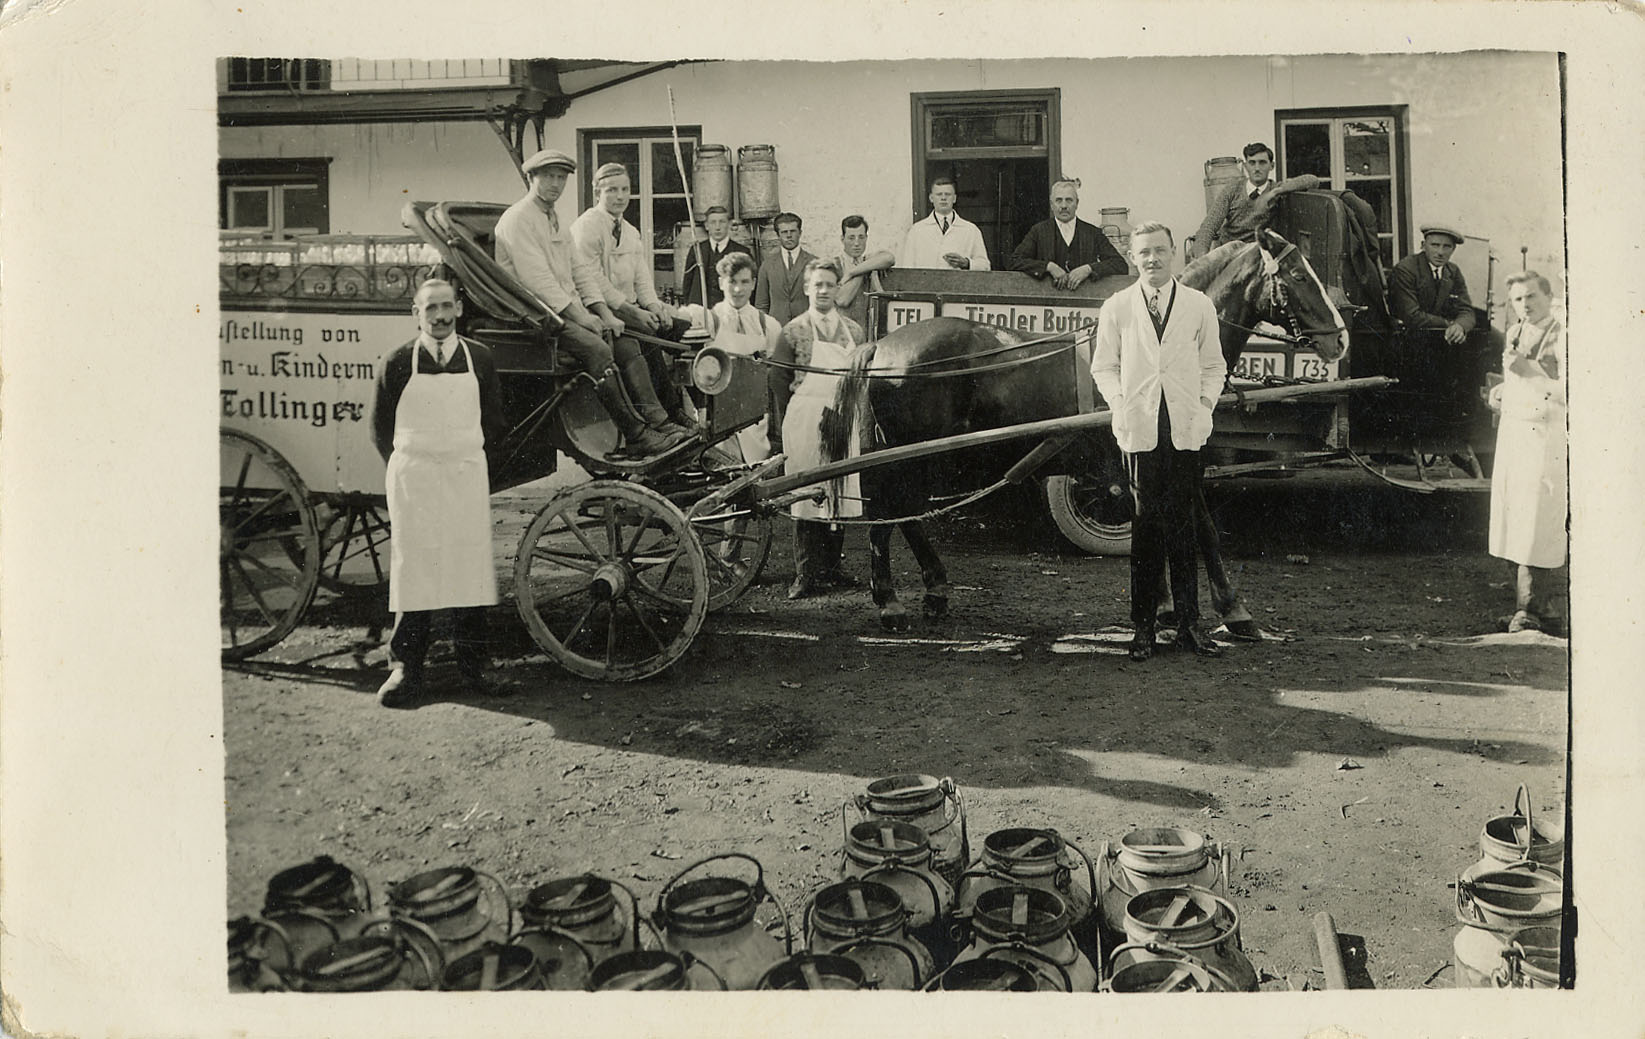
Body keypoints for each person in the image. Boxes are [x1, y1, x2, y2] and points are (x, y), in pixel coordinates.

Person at [493, 148, 689, 458]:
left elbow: (580, 272)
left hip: (562, 313)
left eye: (561, 178)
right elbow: (538, 282)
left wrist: (600, 312)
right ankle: (636, 435)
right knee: (598, 349)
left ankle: (659, 422)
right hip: (535, 318)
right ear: (531, 178)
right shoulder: (519, 219)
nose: (556, 184)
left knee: (624, 344)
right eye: (549, 177)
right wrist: (581, 318)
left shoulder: (553, 217)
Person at [1091, 221, 1227, 661]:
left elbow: (1213, 366)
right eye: (1144, 252)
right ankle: (1144, 628)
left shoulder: (1197, 305)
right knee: (1145, 529)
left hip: (1185, 427)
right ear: (1133, 257)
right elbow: (1103, 367)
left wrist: (1205, 407)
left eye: (1160, 251)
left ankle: (1189, 625)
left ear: (1174, 254)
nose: (1152, 259)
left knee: (1185, 526)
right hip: (1139, 429)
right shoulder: (1117, 307)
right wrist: (1118, 404)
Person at [369, 280, 508, 708]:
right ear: (417, 314)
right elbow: (380, 430)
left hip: (464, 473)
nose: (441, 316)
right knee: (416, 567)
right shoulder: (396, 362)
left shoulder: (480, 359)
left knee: (470, 567)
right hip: (417, 476)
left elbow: (495, 423)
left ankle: (475, 666)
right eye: (431, 308)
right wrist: (416, 463)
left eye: (447, 306)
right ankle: (406, 669)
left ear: (460, 308)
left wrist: (463, 458)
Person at [570, 162, 695, 430]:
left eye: (625, 189)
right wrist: (633, 312)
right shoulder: (586, 227)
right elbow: (592, 280)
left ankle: (690, 412)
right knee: (642, 343)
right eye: (612, 190)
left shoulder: (630, 230)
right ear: (597, 193)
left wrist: (653, 305)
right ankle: (661, 419)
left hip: (629, 308)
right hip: (597, 310)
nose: (620, 196)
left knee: (684, 332)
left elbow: (641, 275)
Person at [771, 259, 866, 599]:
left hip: (842, 415)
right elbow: (779, 379)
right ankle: (805, 574)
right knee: (805, 495)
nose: (824, 290)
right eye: (818, 285)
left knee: (838, 491)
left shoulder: (854, 331)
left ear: (838, 289)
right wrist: (790, 419)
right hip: (805, 416)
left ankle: (832, 567)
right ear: (807, 289)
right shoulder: (793, 330)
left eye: (830, 284)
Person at [1487, 271, 1567, 634]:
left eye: (1532, 297)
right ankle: (1534, 607)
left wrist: (1529, 370)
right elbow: (1518, 377)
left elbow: (1570, 387)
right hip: (1516, 433)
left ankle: (1533, 609)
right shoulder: (1517, 332)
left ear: (1549, 295)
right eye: (1518, 300)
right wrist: (1503, 388)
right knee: (1515, 516)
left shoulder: (1563, 335)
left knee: (1538, 518)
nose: (1525, 305)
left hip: (1545, 437)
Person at [707, 250, 783, 461]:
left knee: (754, 471)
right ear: (721, 282)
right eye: (732, 281)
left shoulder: (768, 325)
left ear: (754, 283)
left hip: (754, 419)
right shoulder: (708, 321)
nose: (738, 289)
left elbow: (774, 374)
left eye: (744, 281)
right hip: (718, 416)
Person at [1191, 142, 1324, 258]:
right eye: (1252, 163)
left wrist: (1276, 192)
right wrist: (1202, 256)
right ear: (1245, 166)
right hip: (1231, 253)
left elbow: (1312, 180)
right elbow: (1209, 226)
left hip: (1260, 255)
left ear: (1272, 166)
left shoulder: (1276, 189)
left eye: (1262, 162)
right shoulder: (1232, 190)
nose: (1257, 168)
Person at [847, 175, 991, 278]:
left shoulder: (971, 230)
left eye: (947, 194)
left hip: (958, 291)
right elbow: (908, 268)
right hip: (925, 293)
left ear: (954, 198)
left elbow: (985, 266)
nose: (943, 198)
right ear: (931, 198)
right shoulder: (917, 230)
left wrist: (966, 263)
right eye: (939, 194)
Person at [1009, 177, 1128, 289]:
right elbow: (1014, 261)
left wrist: (1089, 269)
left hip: (1082, 301)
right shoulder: (1038, 231)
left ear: (1077, 203)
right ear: (1051, 205)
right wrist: (1048, 266)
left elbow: (1120, 265)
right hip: (1048, 302)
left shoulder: (1092, 233)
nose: (1064, 206)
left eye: (1069, 200)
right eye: (1059, 200)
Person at [1388, 223, 1477, 345]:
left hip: (1441, 339)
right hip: (1408, 341)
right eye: (1435, 245)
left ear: (1453, 249)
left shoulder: (1453, 271)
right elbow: (1411, 315)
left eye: (1447, 246)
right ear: (1423, 246)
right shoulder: (1406, 269)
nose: (1440, 252)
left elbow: (1466, 309)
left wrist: (1460, 326)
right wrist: (1449, 324)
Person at [680, 205, 751, 309]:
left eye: (722, 222)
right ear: (707, 226)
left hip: (730, 311)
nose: (718, 227)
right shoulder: (696, 250)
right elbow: (687, 284)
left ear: (729, 224)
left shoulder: (742, 252)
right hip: (701, 312)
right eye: (713, 222)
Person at [754, 212, 817, 326]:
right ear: (778, 235)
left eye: (793, 231)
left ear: (800, 233)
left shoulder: (813, 263)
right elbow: (761, 305)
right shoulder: (767, 265)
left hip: (806, 326)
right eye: (784, 232)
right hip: (777, 329)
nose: (789, 236)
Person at [831, 214, 876, 331]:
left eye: (861, 237)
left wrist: (854, 272)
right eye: (851, 238)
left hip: (865, 333)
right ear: (842, 239)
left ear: (866, 238)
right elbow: (842, 300)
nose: (857, 243)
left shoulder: (867, 261)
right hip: (842, 334)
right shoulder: (833, 265)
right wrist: (864, 270)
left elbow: (889, 258)